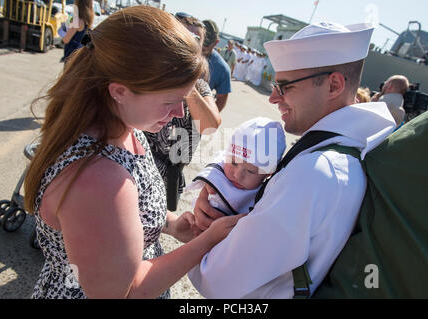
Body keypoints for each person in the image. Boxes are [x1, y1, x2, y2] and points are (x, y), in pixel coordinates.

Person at [24, 6, 244, 299]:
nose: (180, 112)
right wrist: (208, 241)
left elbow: (131, 210)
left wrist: (173, 225)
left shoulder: (126, 125)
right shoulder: (98, 180)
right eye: (171, 100)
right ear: (120, 91)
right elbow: (125, 292)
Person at [188, 21, 397, 298]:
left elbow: (219, 281)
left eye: (285, 87)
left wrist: (200, 232)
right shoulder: (337, 155)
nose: (273, 97)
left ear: (333, 85)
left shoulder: (315, 171)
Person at [144, 12, 221, 212]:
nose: (187, 46)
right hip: (137, 165)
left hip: (169, 177)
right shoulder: (148, 76)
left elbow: (210, 125)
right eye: (182, 38)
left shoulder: (200, 87)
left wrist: (187, 81)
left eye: (195, 41)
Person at [185, 117, 286, 216]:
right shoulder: (219, 170)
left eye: (250, 171)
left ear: (268, 174)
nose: (237, 175)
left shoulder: (264, 198)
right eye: (233, 163)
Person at [202, 19, 231, 112]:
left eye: (206, 44)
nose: (202, 46)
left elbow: (221, 99)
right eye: (200, 40)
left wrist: (207, 119)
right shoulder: (182, 51)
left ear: (216, 42)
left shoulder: (222, 69)